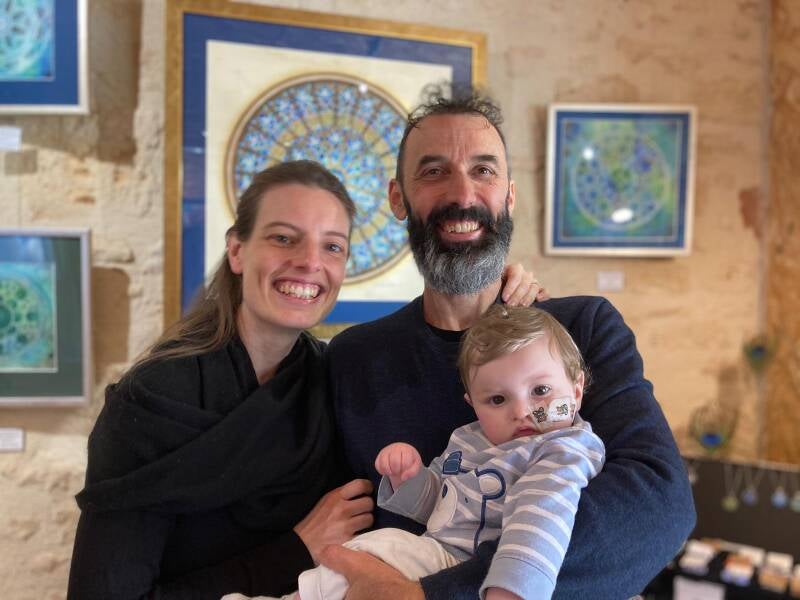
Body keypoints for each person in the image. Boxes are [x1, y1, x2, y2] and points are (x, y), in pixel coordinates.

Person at [67, 159, 538, 600]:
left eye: (331, 246)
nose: (310, 262)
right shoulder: (153, 399)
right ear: (237, 250)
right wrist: (296, 549)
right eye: (284, 238)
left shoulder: (331, 373)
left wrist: (505, 295)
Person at [323, 86, 696, 599]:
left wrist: (432, 596)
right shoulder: (353, 358)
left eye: (483, 170)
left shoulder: (582, 328)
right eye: (434, 171)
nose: (462, 194)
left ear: (509, 196)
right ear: (397, 198)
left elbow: (658, 506)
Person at [246, 305, 604, 600]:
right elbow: (441, 504)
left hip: (476, 568)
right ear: (473, 405)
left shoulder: (560, 447)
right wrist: (411, 478)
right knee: (369, 557)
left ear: (576, 391)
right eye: (497, 399)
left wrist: (514, 589)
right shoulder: (470, 440)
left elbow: (542, 514)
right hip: (435, 555)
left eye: (540, 390)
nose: (522, 411)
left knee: (378, 550)